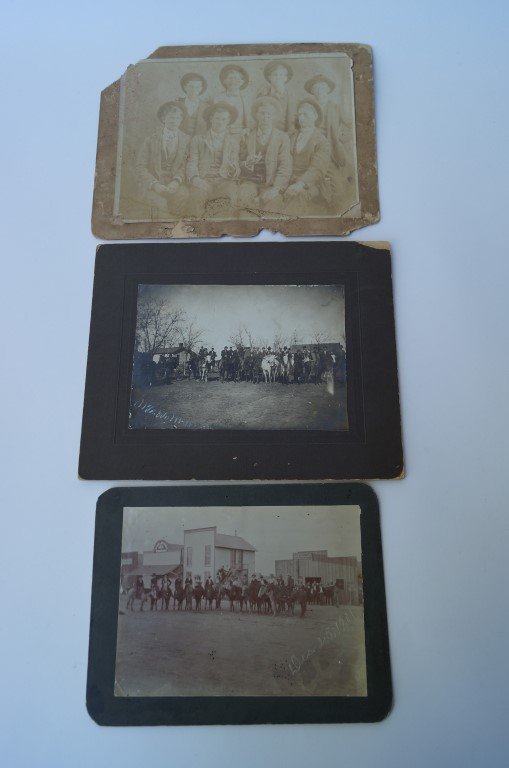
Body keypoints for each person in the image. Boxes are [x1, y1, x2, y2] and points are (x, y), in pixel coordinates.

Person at [304, 74, 354, 210]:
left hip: (332, 151)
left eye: (322, 88)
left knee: (338, 186)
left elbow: (352, 126)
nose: (319, 91)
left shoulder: (335, 108)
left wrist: (340, 138)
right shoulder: (307, 108)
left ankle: (336, 206)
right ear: (313, 92)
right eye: (316, 89)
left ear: (327, 90)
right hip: (312, 150)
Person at [136, 101, 190, 218]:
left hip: (173, 183)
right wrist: (155, 184)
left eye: (177, 118)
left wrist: (176, 181)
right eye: (170, 117)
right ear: (163, 119)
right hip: (152, 183)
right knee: (160, 203)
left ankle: (178, 230)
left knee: (183, 195)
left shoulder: (186, 139)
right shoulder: (151, 138)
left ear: (181, 120)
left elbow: (184, 165)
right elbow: (140, 167)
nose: (174, 121)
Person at [186, 102, 241, 216]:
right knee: (196, 199)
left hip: (224, 181)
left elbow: (235, 166)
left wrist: (233, 169)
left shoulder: (233, 142)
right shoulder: (198, 140)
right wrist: (196, 179)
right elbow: (192, 163)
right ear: (211, 119)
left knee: (230, 198)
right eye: (217, 118)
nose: (220, 122)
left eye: (223, 119)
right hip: (203, 179)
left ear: (228, 121)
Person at [238, 96, 292, 212]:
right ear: (256, 115)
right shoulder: (247, 136)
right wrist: (247, 163)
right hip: (249, 182)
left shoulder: (282, 138)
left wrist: (276, 189)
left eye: (269, 114)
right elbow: (237, 163)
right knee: (243, 201)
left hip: (271, 184)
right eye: (262, 113)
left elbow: (285, 167)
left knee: (273, 206)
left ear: (275, 116)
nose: (266, 117)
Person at [283, 99, 331, 216]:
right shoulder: (291, 136)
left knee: (298, 196)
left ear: (315, 116)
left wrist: (300, 184)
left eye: (305, 114)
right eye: (300, 114)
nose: (302, 118)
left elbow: (317, 169)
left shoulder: (322, 141)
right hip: (288, 180)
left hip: (311, 184)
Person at [257, 61, 298, 133]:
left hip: (283, 132)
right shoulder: (263, 93)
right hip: (265, 131)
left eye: (281, 75)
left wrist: (288, 135)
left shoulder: (290, 95)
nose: (278, 77)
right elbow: (257, 114)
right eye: (275, 75)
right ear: (269, 77)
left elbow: (291, 119)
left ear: (285, 78)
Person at [214, 64, 251, 134]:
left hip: (241, 133)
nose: (233, 81)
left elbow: (250, 121)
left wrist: (247, 129)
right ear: (224, 81)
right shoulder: (218, 98)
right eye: (230, 78)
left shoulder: (246, 98)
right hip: (223, 133)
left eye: (237, 79)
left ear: (242, 82)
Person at [176, 72, 210, 136]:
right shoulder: (177, 105)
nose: (194, 90)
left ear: (201, 88)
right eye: (191, 87)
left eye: (197, 87)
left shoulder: (207, 107)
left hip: (199, 143)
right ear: (185, 87)